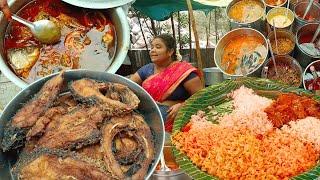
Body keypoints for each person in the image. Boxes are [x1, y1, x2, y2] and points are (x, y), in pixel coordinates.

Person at [130, 34, 203, 131]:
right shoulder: (147, 69)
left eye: (158, 47)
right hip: (148, 119)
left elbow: (202, 98)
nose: (152, 50)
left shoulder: (183, 71)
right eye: (152, 47)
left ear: (170, 52)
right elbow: (127, 85)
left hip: (176, 123)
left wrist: (183, 106)